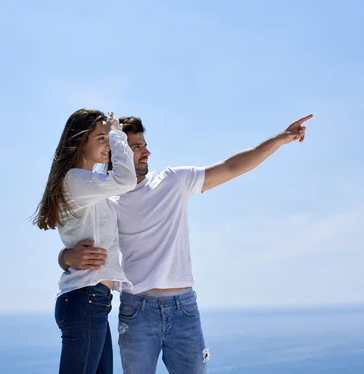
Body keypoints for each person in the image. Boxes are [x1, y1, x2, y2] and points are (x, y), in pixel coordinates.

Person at [60, 113, 312, 373]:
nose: (146, 152)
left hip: (183, 309)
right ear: (117, 151)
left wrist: (280, 139)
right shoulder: (107, 201)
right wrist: (65, 257)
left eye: (144, 145)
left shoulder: (173, 181)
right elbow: (81, 234)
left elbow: (232, 166)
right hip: (137, 311)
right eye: (136, 147)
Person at [33, 108, 137, 374]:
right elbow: (126, 179)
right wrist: (117, 134)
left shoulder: (85, 184)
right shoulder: (75, 180)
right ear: (81, 141)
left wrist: (64, 257)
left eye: (107, 138)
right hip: (85, 298)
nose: (108, 145)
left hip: (92, 300)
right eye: (101, 138)